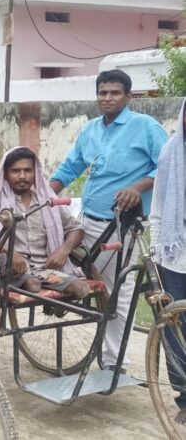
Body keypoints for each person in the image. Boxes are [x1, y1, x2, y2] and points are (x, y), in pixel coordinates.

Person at [50, 69, 168, 371]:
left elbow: (168, 166)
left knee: (118, 290)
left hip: (121, 224)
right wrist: (45, 194)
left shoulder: (145, 127)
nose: (107, 98)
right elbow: (71, 167)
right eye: (102, 93)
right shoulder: (91, 129)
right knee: (66, 269)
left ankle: (114, 362)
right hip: (85, 219)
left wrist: (138, 187)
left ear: (128, 96)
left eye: (114, 93)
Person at [0, 147, 92, 298]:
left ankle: (54, 302)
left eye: (28, 170)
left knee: (81, 288)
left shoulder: (46, 201)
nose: (22, 176)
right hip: (9, 269)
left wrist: (63, 250)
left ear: (35, 172)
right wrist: (8, 251)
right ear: (6, 174)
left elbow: (77, 228)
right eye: (16, 171)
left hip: (46, 270)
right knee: (33, 284)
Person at [150, 98, 186, 422]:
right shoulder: (170, 153)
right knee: (175, 331)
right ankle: (185, 397)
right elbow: (158, 210)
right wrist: (155, 253)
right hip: (175, 258)